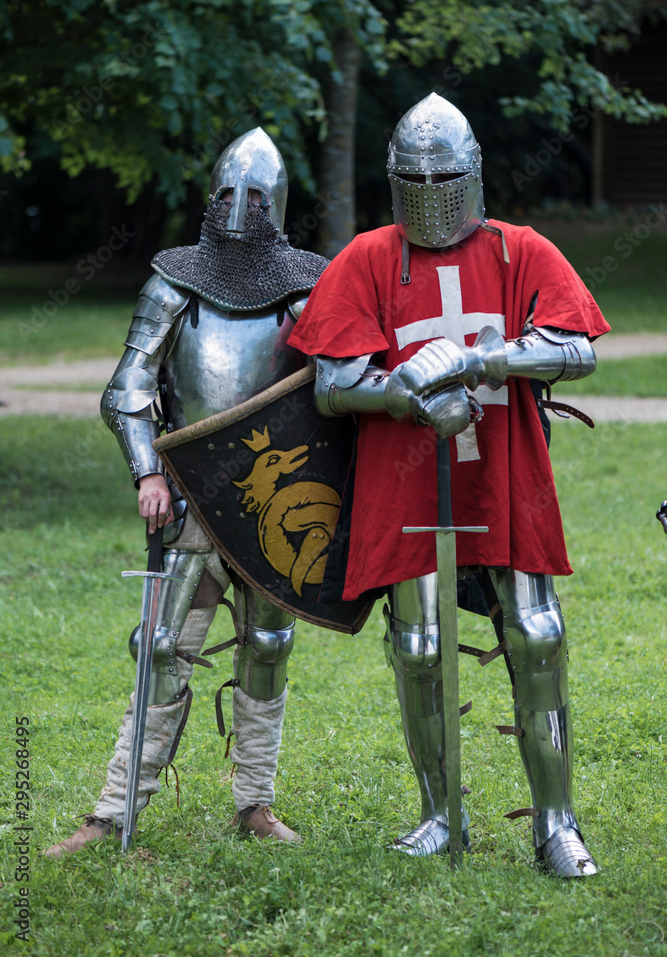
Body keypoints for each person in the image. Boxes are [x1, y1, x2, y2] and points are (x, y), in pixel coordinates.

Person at [288, 93, 609, 877]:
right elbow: (332, 385)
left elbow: (576, 350)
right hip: (405, 478)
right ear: (395, 179)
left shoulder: (517, 249)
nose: (431, 195)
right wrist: (402, 394)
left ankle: (556, 823)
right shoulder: (367, 257)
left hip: (503, 466)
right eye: (415, 180)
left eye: (444, 178)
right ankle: (439, 815)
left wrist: (480, 358)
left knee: (536, 634)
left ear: (472, 175)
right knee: (418, 647)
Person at [44, 128, 329, 857]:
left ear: (277, 203)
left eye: (255, 196)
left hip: (274, 499)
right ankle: (112, 813)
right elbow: (127, 390)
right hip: (190, 497)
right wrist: (147, 471)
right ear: (209, 196)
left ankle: (254, 804)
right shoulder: (173, 282)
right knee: (162, 646)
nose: (239, 207)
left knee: (267, 645)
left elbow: (333, 394)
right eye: (228, 193)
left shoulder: (308, 288)